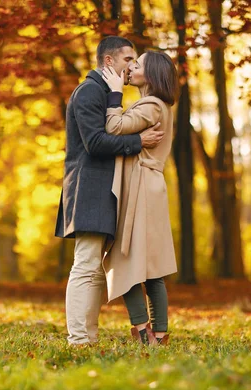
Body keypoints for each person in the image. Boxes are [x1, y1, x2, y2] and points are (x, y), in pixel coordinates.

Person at [55, 37, 165, 346]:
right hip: (89, 187)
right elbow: (96, 143)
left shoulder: (106, 94)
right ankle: (78, 339)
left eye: (134, 60)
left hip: (104, 190)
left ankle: (87, 337)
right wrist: (138, 142)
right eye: (128, 59)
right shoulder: (90, 92)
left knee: (94, 268)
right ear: (109, 62)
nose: (132, 65)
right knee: (86, 264)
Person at [101, 51, 180, 345]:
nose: (132, 67)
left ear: (153, 74)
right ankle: (156, 334)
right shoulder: (157, 106)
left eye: (139, 64)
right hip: (148, 186)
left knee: (129, 261)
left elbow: (113, 128)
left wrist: (114, 95)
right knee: (149, 267)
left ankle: (147, 332)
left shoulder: (151, 106)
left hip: (142, 188)